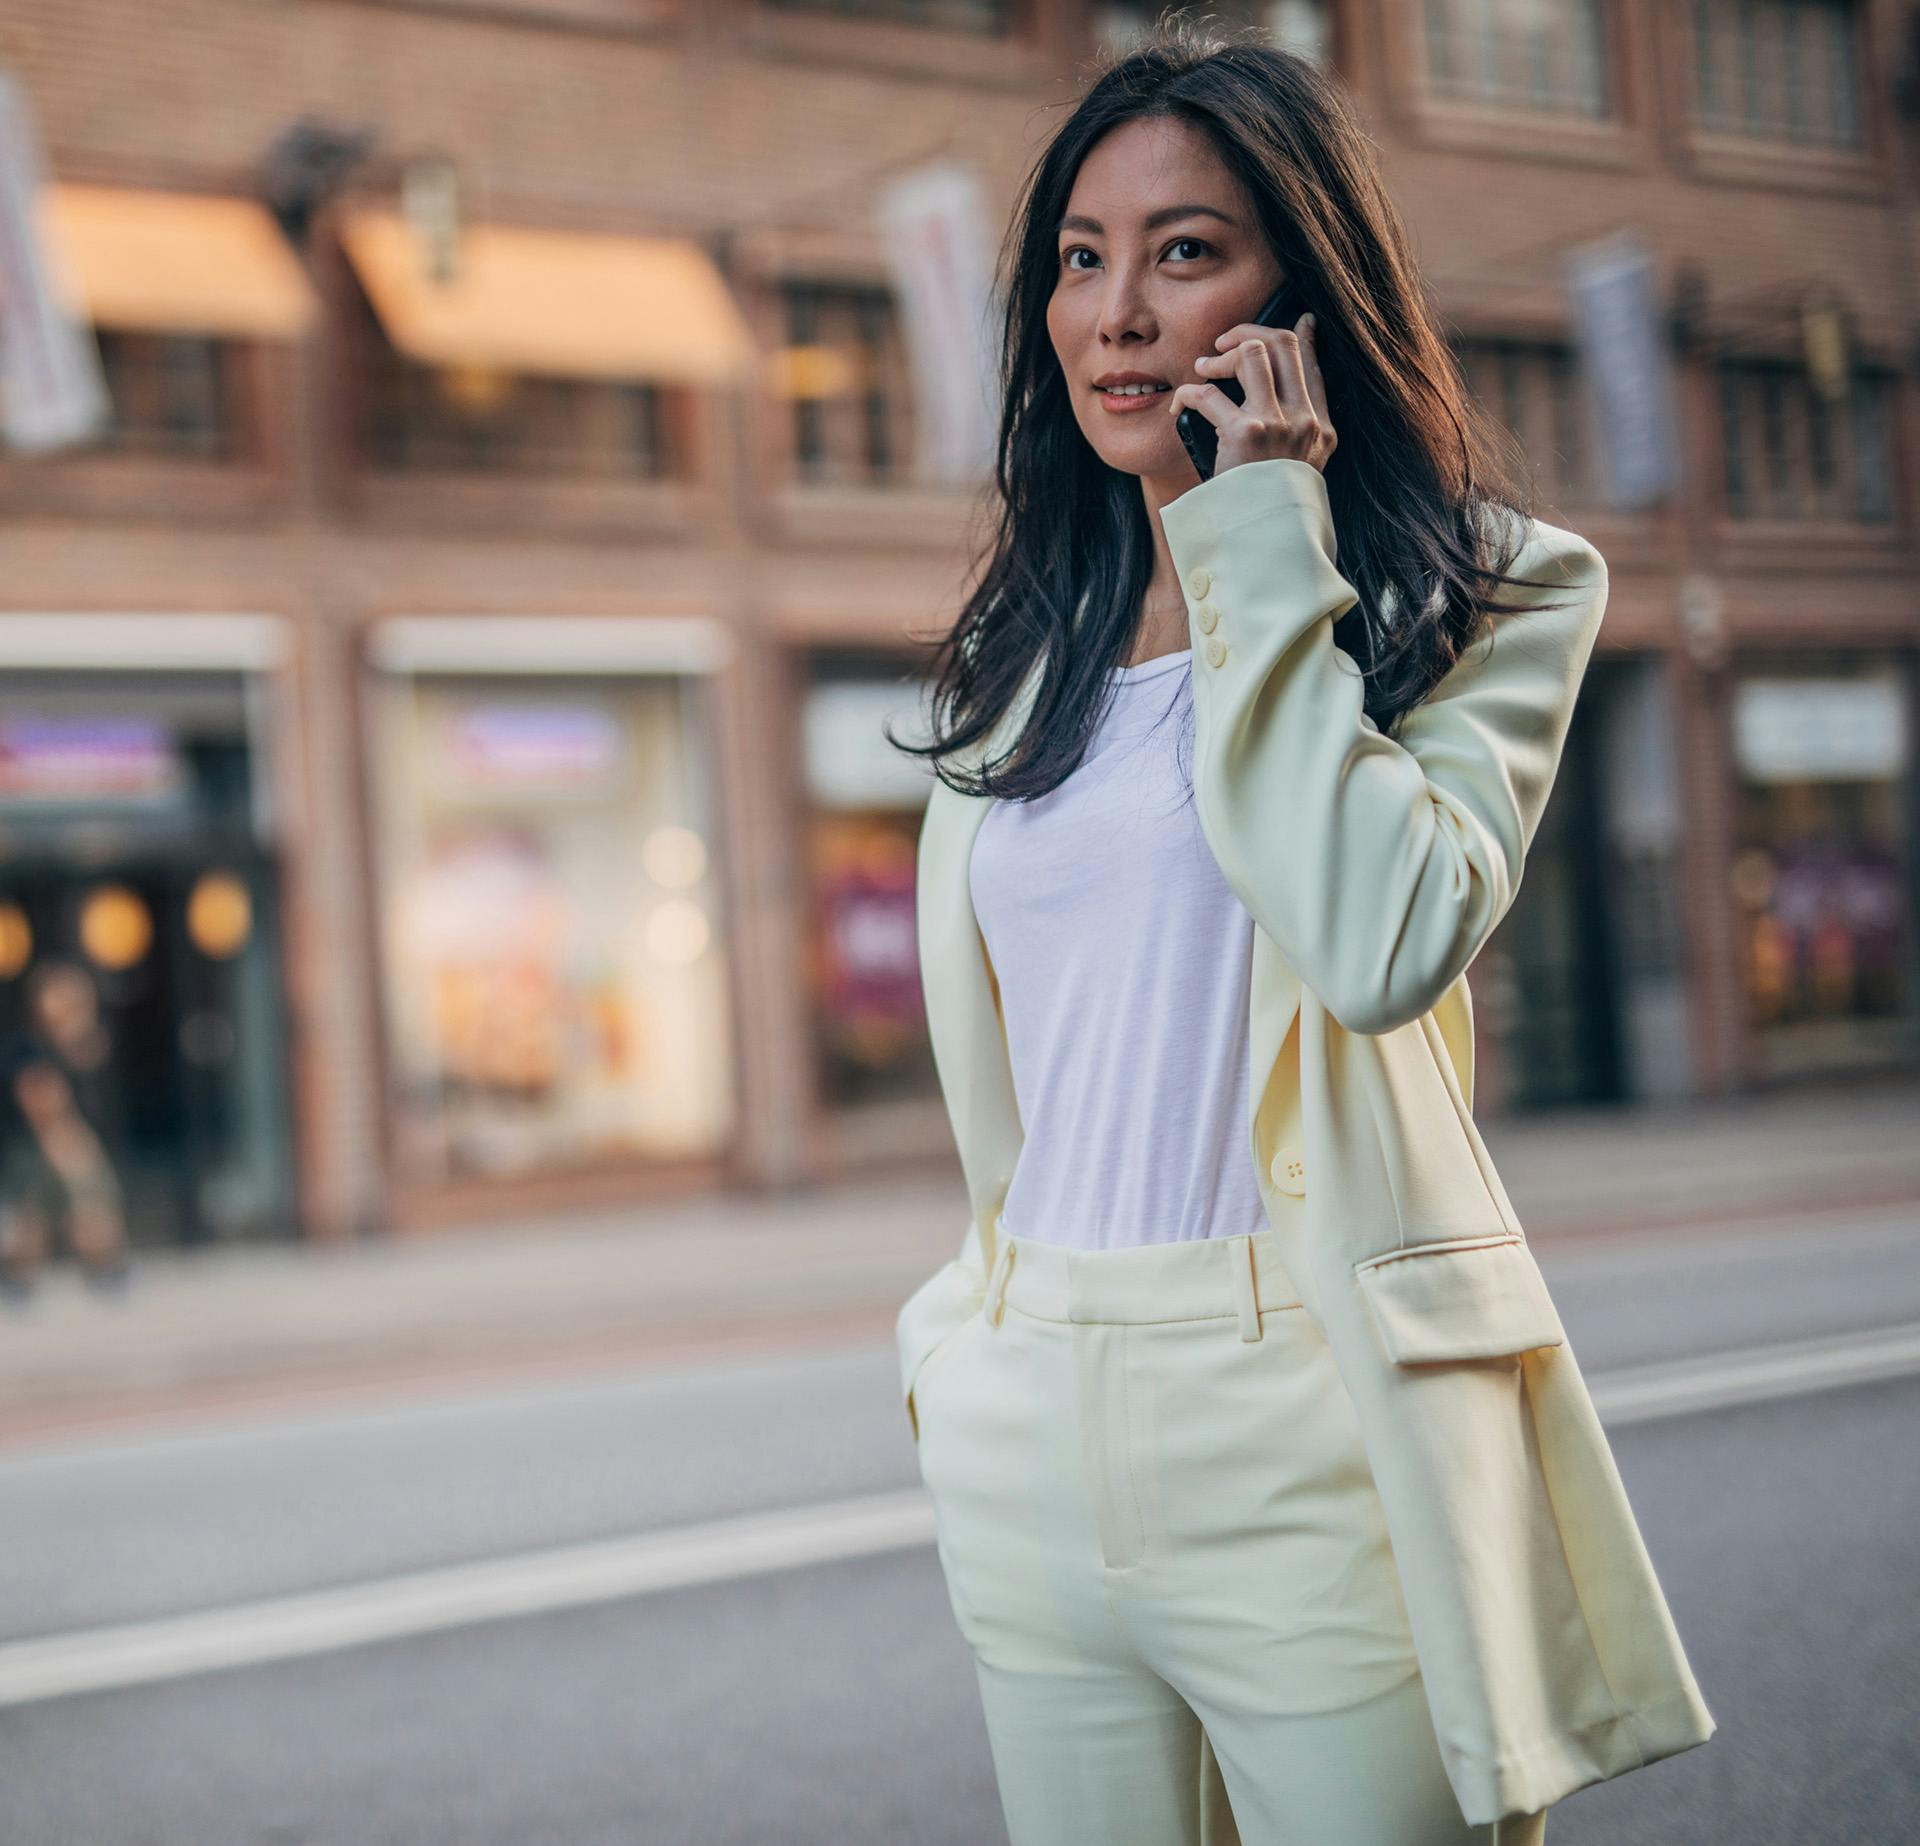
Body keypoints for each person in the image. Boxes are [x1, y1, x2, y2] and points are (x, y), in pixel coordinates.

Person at [887, 22, 1712, 1846]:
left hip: (1307, 1418)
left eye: (1184, 251)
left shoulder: (1487, 594)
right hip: (1033, 1416)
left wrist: (1258, 531)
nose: (1117, 314)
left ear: (1304, 292)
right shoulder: (1023, 652)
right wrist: (964, 1353)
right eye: (1080, 259)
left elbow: (1377, 935)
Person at [0, 961, 131, 1299]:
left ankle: (104, 1271)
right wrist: (64, 1150)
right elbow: (41, 1104)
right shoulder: (29, 1050)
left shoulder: (77, 1046)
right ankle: (18, 1278)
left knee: (82, 1209)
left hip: (71, 1142)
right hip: (45, 1145)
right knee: (39, 1215)